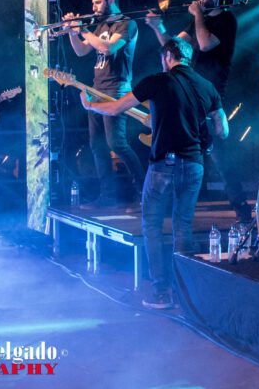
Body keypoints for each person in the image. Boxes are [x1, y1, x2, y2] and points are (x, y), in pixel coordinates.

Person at [81, 38, 227, 309]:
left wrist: (90, 106)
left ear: (168, 56)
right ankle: (184, 294)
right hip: (194, 165)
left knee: (152, 225)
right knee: (183, 225)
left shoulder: (157, 81)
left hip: (163, 165)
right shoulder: (207, 86)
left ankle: (161, 292)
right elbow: (223, 130)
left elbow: (116, 108)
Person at [145, 0, 251, 222]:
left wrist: (197, 15)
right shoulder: (198, 21)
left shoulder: (226, 20)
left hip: (211, 93)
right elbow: (172, 48)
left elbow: (204, 44)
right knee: (182, 149)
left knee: (220, 155)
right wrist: (158, 27)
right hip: (190, 92)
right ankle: (176, 206)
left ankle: (241, 208)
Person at [64, 0, 145, 207]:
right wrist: (72, 32)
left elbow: (107, 48)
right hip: (97, 89)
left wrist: (82, 29)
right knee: (97, 145)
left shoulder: (127, 24)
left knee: (116, 143)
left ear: (111, 0)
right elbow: (81, 51)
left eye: (98, 2)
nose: (94, 7)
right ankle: (108, 196)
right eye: (93, 3)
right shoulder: (100, 26)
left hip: (117, 89)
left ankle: (143, 188)